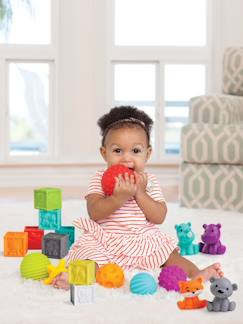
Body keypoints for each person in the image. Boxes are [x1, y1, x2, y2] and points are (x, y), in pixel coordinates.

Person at [52, 106, 223, 290]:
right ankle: (76, 277)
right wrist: (118, 198)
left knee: (170, 256)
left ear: (147, 154)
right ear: (104, 153)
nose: (127, 158)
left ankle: (196, 274)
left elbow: (159, 217)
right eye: (117, 151)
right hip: (105, 239)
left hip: (142, 239)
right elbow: (94, 212)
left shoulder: (149, 181)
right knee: (88, 255)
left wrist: (139, 193)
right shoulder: (99, 179)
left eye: (135, 151)